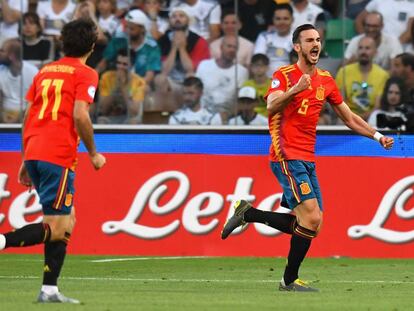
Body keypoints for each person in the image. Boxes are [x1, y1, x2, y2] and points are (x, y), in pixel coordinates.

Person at [221, 24, 394, 292]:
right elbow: (271, 106)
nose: (316, 44)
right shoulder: (285, 75)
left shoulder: (326, 79)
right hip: (285, 154)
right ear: (297, 47)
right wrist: (295, 90)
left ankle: (249, 213)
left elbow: (348, 117)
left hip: (308, 158)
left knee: (313, 223)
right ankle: (288, 280)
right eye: (309, 40)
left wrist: (376, 136)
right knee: (311, 219)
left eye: (318, 40)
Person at [0, 18, 106, 303]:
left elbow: (28, 116)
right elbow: (80, 114)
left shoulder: (45, 71)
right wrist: (94, 153)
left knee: (66, 221)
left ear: (62, 42)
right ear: (92, 46)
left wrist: (26, 157)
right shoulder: (86, 74)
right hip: (57, 155)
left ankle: (49, 289)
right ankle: (2, 241)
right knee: (57, 227)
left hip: (36, 151)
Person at [335, 36, 389, 121]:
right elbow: (340, 103)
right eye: (360, 48)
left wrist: (360, 120)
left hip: (371, 119)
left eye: (367, 48)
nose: (363, 51)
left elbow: (377, 107)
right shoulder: (343, 72)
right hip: (347, 118)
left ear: (375, 52)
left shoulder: (383, 75)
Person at [196, 35, 249, 121]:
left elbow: (240, 100)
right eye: (229, 46)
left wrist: (227, 116)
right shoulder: (204, 65)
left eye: (235, 47)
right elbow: (196, 90)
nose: (232, 50)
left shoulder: (242, 71)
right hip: (203, 114)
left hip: (228, 117)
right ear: (221, 47)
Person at [98, 48, 146, 124]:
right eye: (118, 63)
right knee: (101, 120)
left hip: (129, 118)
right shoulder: (106, 77)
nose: (120, 67)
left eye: (125, 64)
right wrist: (116, 85)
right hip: (111, 117)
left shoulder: (139, 82)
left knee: (133, 121)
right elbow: (103, 109)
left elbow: (134, 112)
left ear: (132, 66)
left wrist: (123, 86)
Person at [0, 39, 39, 123]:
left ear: (12, 56)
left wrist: (20, 117)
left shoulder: (33, 72)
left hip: (27, 116)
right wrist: (2, 116)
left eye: (2, 51)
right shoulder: (1, 70)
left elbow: (37, 100)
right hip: (4, 116)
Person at [253, 3, 294, 77]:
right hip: (267, 83)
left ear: (292, 19)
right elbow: (257, 62)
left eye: (285, 18)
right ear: (273, 20)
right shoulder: (264, 36)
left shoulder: (299, 38)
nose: (282, 22)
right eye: (278, 19)